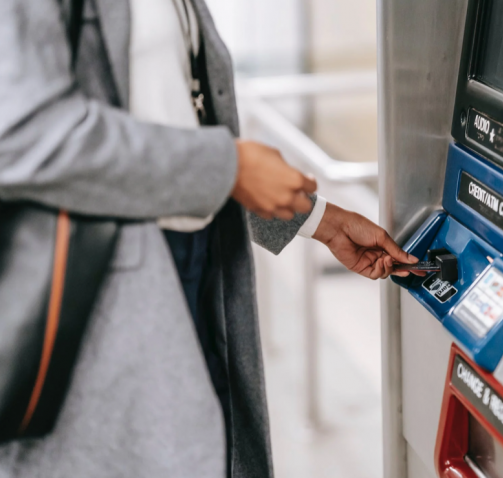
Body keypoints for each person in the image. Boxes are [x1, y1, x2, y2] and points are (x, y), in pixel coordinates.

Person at [0, 0, 417, 477]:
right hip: (102, 303)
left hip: (194, 269)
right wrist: (231, 167)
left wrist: (318, 220)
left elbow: (173, 118)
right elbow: (21, 135)